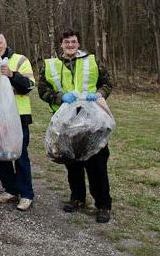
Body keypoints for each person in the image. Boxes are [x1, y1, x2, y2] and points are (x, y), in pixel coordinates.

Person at [38, 29, 113, 223]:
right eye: (66, 42)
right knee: (72, 162)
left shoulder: (93, 61)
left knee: (97, 164)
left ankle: (103, 205)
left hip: (92, 121)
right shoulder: (50, 65)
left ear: (78, 43)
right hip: (66, 123)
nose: (70, 45)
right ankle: (77, 198)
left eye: (73, 42)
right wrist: (59, 97)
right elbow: (42, 90)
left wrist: (98, 95)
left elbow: (107, 84)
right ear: (61, 44)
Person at [0, 33, 35, 211]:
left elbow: (29, 85)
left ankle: (26, 194)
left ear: (5, 43)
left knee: (20, 155)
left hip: (18, 117)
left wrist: (12, 75)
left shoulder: (20, 60)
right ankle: (10, 190)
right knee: (0, 155)